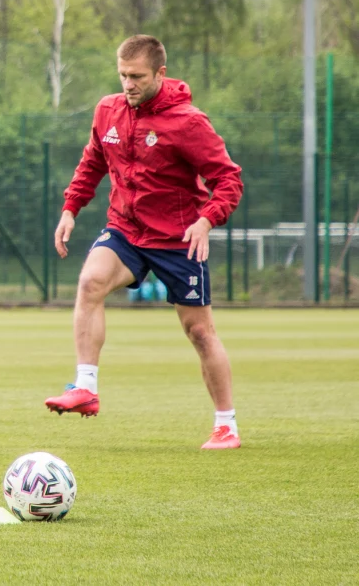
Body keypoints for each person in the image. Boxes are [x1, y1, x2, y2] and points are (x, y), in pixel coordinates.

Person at [46, 35, 243, 450]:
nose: (128, 84)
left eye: (136, 76)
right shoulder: (107, 111)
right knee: (90, 283)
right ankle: (86, 388)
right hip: (126, 229)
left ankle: (226, 425)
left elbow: (228, 180)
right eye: (122, 75)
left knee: (200, 333)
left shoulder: (189, 122)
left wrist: (207, 220)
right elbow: (93, 162)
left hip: (177, 238)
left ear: (160, 74)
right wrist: (70, 209)